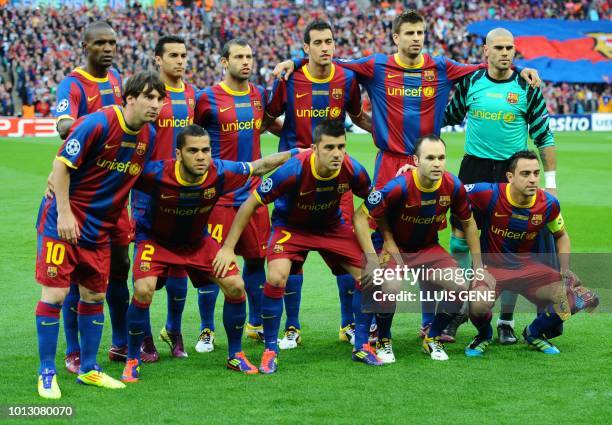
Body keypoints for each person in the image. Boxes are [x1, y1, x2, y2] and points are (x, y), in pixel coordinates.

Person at [274, 10, 541, 358]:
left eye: (421, 32)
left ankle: (428, 326)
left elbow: (488, 65)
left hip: (430, 164)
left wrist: (521, 68)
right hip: (390, 162)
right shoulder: (376, 66)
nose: (416, 38)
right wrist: (295, 61)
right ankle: (373, 323)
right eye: (409, 33)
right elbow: (329, 57)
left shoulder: (442, 67)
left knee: (428, 235)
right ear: (396, 37)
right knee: (377, 237)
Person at [121, 125, 298, 381]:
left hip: (197, 242)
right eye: (193, 151)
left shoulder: (219, 172)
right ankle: (133, 358)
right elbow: (115, 178)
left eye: (205, 150)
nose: (201, 156)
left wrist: (296, 152)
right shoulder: (156, 174)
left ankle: (235, 354)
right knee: (143, 289)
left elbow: (257, 166)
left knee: (236, 285)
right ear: (178, 153)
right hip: (156, 241)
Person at [34, 71, 164, 399]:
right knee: (55, 295)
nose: (156, 104)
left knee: (93, 297)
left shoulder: (148, 136)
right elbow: (61, 166)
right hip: (62, 224)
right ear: (130, 98)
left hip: (99, 229)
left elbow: (140, 182)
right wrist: (64, 213)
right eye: (149, 97)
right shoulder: (98, 123)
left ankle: (90, 370)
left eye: (160, 99)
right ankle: (46, 373)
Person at [213, 120, 379, 373]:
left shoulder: (353, 169)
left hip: (330, 227)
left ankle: (363, 346)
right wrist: (227, 248)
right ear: (314, 148)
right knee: (277, 276)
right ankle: (271, 349)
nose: (336, 154)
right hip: (290, 227)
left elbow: (375, 202)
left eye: (341, 147)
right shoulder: (293, 170)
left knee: (370, 276)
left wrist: (385, 242)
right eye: (329, 148)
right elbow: (250, 204)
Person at [443, 28, 557, 344]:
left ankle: (505, 319)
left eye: (510, 48)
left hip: (512, 173)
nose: (506, 53)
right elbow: (444, 116)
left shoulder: (527, 87)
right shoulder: (470, 83)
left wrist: (553, 183)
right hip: (474, 168)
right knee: (460, 241)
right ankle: (458, 311)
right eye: (500, 47)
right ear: (485, 50)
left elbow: (544, 136)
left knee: (512, 248)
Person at [263, 19, 372, 350]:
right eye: (318, 43)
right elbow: (268, 118)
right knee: (291, 260)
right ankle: (292, 327)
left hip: (334, 181)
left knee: (343, 255)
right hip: (296, 181)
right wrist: (294, 150)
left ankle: (348, 325)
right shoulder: (290, 78)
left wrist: (391, 136)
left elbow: (357, 117)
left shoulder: (347, 79)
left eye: (330, 41)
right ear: (305, 49)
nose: (326, 47)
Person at [353, 135, 490, 362]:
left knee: (459, 285)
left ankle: (432, 337)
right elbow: (360, 217)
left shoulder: (453, 186)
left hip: (427, 247)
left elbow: (468, 223)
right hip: (395, 248)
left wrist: (478, 267)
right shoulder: (398, 186)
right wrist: (373, 260)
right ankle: (384, 339)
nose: (437, 163)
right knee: (390, 286)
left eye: (441, 157)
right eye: (430, 158)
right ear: (416, 160)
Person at [52, 21, 131, 372]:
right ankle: (73, 349)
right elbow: (63, 124)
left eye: (112, 43)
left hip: (115, 195)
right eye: (100, 43)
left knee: (119, 268)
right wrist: (94, 125)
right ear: (85, 46)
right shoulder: (72, 84)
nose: (108, 48)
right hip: (85, 194)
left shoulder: (116, 81)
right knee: (77, 273)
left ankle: (121, 342)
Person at [464, 150, 598, 357]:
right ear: (510, 177)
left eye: (536, 173)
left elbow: (562, 235)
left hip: (528, 268)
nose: (533, 179)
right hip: (493, 268)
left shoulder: (548, 203)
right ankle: (484, 334)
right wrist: (414, 173)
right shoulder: (488, 193)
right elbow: (451, 190)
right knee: (478, 303)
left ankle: (534, 332)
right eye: (525, 174)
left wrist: (564, 269)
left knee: (575, 299)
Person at [194, 38, 269, 347]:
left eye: (249, 56)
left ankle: (255, 323)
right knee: (216, 265)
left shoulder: (259, 95)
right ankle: (207, 329)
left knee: (256, 261)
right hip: (218, 196)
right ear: (224, 62)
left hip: (253, 196)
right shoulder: (207, 98)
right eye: (239, 56)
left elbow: (263, 126)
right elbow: (193, 138)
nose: (246, 61)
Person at [132, 35, 201, 361]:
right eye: (173, 55)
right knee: (147, 273)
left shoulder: (191, 94)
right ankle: (143, 336)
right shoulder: (150, 96)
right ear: (157, 59)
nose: (180, 60)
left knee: (179, 268)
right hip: (149, 193)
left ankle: (173, 330)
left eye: (184, 54)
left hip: (184, 195)